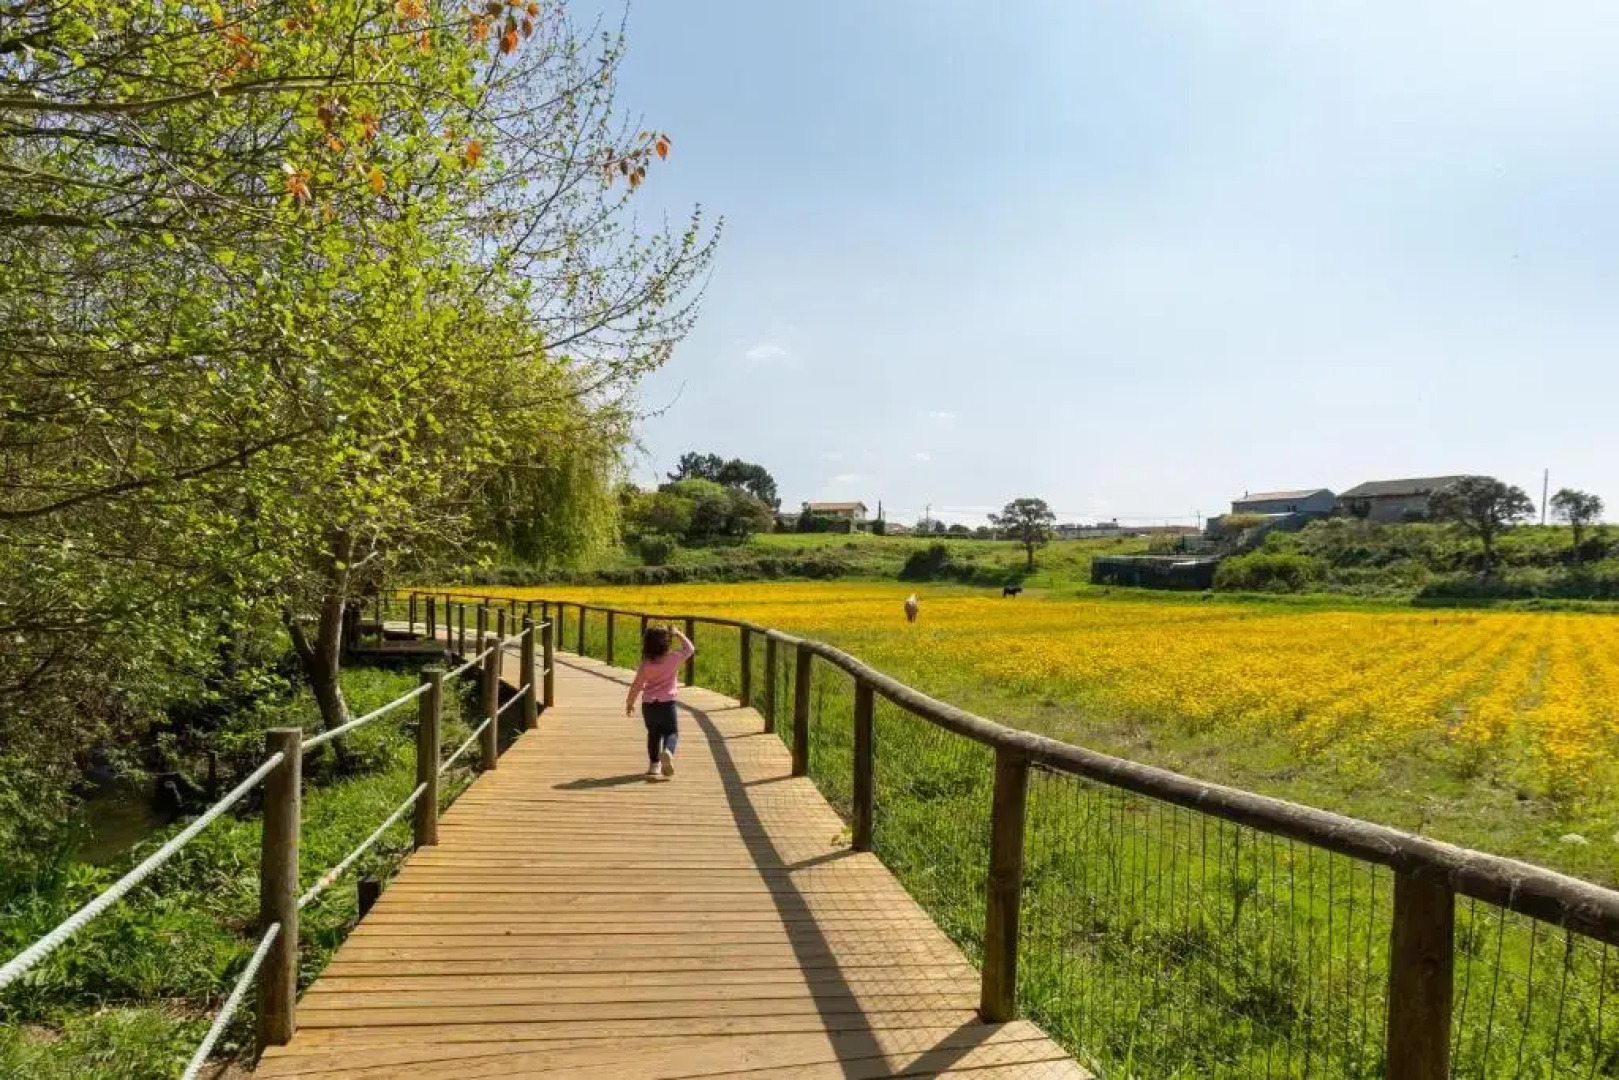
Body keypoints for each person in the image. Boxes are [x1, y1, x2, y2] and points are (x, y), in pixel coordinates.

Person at [624, 624, 695, 781]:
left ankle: (654, 766)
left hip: (649, 704)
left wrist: (630, 703)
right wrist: (678, 634)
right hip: (667, 703)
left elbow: (637, 685)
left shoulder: (645, 664)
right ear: (666, 643)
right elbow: (690, 649)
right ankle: (668, 751)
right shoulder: (674, 658)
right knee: (671, 732)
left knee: (653, 734)